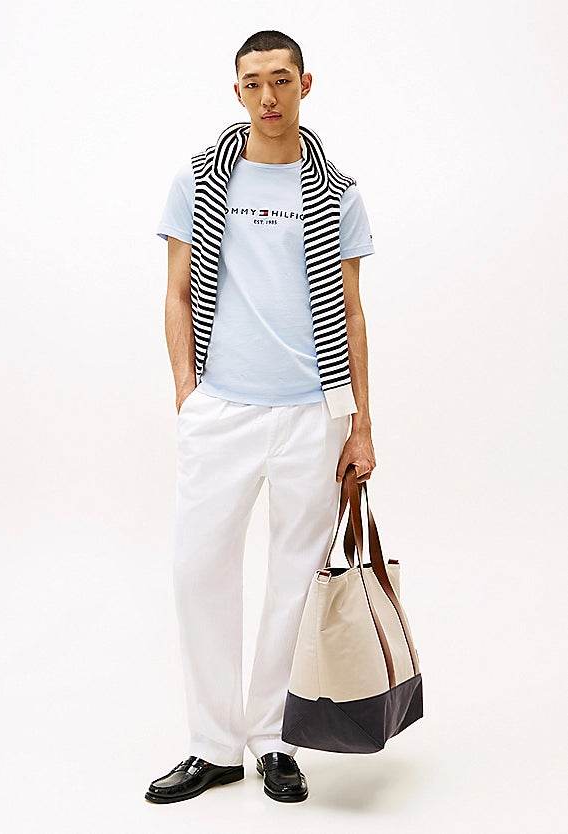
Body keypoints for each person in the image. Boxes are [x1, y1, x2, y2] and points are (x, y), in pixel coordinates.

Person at [145, 29, 376, 805]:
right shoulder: (199, 179)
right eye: (253, 83)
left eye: (281, 80)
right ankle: (212, 747)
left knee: (295, 583)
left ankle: (275, 740)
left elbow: (351, 308)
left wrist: (359, 424)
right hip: (222, 409)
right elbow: (176, 291)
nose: (267, 96)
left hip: (313, 412)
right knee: (198, 572)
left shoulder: (337, 191)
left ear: (305, 84)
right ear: (237, 91)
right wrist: (187, 390)